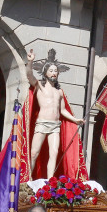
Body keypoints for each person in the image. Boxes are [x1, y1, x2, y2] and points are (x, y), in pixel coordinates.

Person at [25, 48, 83, 179]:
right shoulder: (39, 85)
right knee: (34, 153)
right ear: (45, 72)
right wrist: (30, 62)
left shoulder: (59, 92)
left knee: (54, 153)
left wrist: (75, 120)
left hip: (55, 126)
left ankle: (50, 181)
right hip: (41, 123)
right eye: (51, 71)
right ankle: (28, 180)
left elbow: (62, 110)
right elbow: (29, 75)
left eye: (55, 71)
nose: (54, 73)